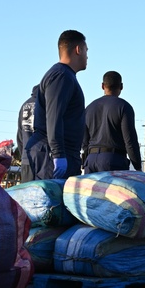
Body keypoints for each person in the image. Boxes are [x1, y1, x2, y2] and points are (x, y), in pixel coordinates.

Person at [23, 30, 88, 181]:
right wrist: (58, 154)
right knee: (50, 204)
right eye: (86, 50)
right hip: (52, 153)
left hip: (60, 151)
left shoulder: (64, 75)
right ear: (78, 49)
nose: (87, 55)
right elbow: (53, 117)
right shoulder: (61, 76)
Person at [81, 71, 142, 173]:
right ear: (121, 86)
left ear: (102, 86)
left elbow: (84, 140)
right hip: (113, 160)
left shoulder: (89, 108)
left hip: (91, 160)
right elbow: (130, 141)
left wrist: (87, 159)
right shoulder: (124, 107)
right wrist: (137, 166)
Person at [16, 85, 38, 164]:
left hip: (26, 157)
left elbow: (20, 135)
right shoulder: (45, 104)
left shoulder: (24, 105)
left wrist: (23, 154)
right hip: (42, 159)